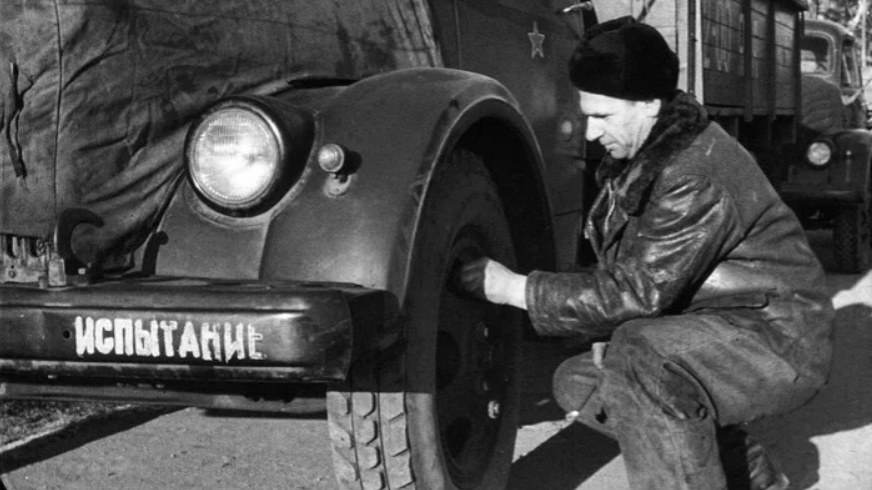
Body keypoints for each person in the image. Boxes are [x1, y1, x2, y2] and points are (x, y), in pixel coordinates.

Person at [461, 16, 834, 490]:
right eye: (587, 115)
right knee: (583, 383)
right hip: (722, 323)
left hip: (776, 338)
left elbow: (638, 292)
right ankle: (753, 479)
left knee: (641, 359)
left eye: (603, 116)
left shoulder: (694, 174)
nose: (590, 133)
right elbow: (640, 272)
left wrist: (515, 288)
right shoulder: (646, 156)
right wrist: (609, 330)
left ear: (650, 105)